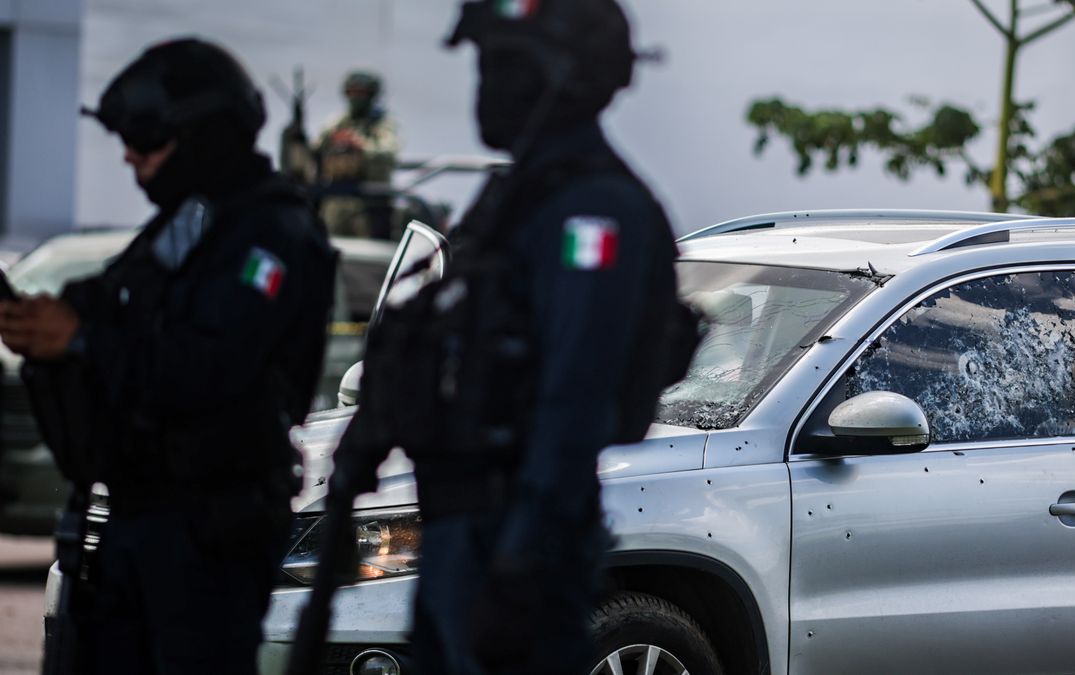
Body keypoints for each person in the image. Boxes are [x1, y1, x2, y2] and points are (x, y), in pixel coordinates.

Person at [325, 1, 687, 673]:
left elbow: (574, 396)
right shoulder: (512, 197)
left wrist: (521, 560)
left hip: (519, 542)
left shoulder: (595, 209)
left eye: (503, 64)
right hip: (460, 531)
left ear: (560, 75)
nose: (485, 85)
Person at [0, 38, 336, 674]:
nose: (130, 156)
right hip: (139, 516)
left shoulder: (274, 232)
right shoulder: (193, 222)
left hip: (210, 532)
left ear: (203, 133)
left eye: (147, 139)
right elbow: (110, 297)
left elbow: (211, 369)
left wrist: (78, 339)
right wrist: (45, 323)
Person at [314, 71, 402, 239]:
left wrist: (359, 145)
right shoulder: (338, 122)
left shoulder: (383, 124)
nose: (356, 97)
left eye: (361, 93)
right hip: (337, 199)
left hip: (371, 201)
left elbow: (389, 153)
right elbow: (316, 148)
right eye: (353, 92)